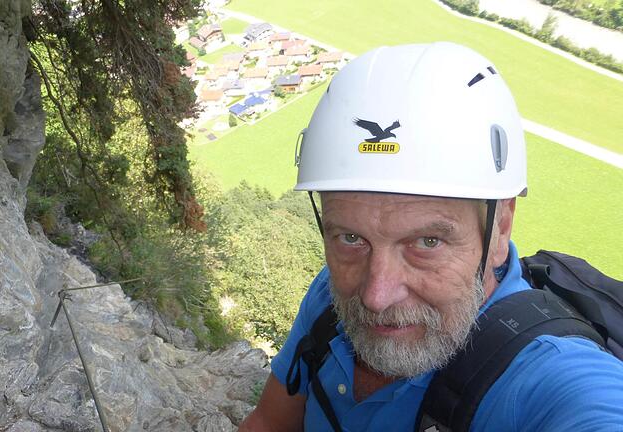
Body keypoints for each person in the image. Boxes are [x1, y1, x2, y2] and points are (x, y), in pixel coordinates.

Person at [239, 42, 623, 431]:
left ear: (500, 227)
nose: (375, 296)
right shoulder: (329, 296)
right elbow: (269, 422)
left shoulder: (547, 380)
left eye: (427, 242)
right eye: (351, 238)